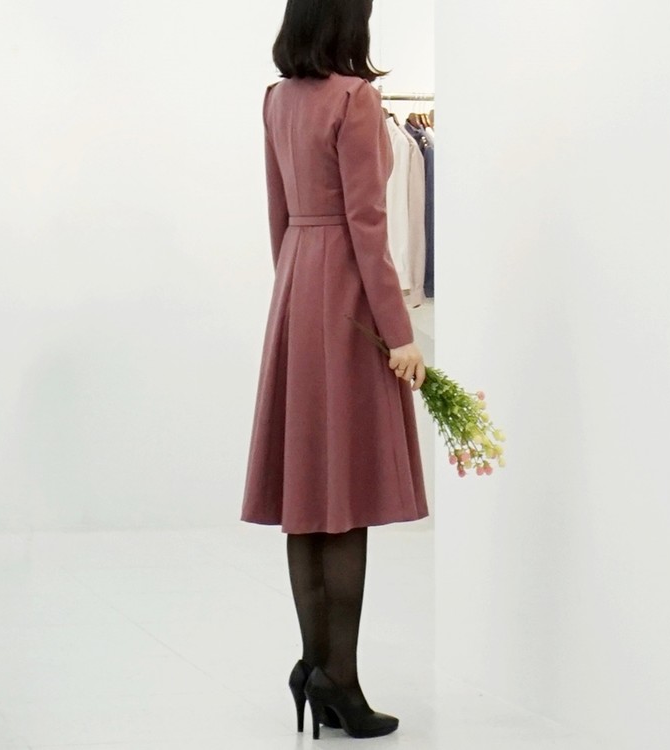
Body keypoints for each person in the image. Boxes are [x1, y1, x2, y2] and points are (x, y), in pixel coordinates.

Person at [240, 0, 430, 740]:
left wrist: (293, 292)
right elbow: (368, 227)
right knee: (345, 495)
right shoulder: (356, 99)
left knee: (307, 495)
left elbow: (277, 215)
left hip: (296, 289)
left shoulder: (275, 100)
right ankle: (339, 681)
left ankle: (315, 665)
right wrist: (399, 334)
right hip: (348, 294)